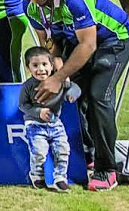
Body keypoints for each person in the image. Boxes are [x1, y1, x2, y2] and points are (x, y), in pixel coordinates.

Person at [15, 0, 129, 192]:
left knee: (99, 95)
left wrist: (58, 77)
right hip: (76, 42)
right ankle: (87, 155)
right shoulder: (30, 6)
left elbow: (88, 45)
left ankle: (107, 169)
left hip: (114, 40)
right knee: (73, 94)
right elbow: (48, 43)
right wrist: (56, 61)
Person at [19, 45, 81, 192]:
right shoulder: (27, 86)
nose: (41, 69)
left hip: (55, 123)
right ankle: (37, 175)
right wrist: (38, 112)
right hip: (35, 125)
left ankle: (60, 178)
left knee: (63, 149)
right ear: (28, 68)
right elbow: (23, 105)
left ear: (51, 65)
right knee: (39, 152)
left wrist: (72, 94)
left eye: (44, 64)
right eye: (35, 65)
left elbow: (75, 87)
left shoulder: (59, 81)